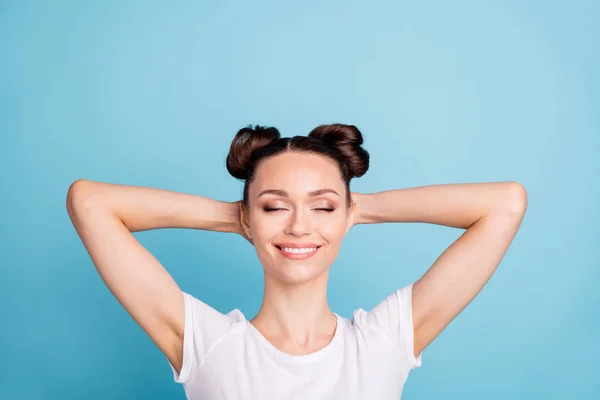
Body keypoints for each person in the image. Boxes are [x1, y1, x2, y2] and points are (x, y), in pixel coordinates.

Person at [66, 123, 527, 399]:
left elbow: (505, 204)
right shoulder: (207, 344)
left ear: (348, 213)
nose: (300, 226)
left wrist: (357, 209)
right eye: (275, 206)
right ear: (248, 216)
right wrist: (242, 218)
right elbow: (89, 203)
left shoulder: (385, 342)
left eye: (322, 207)